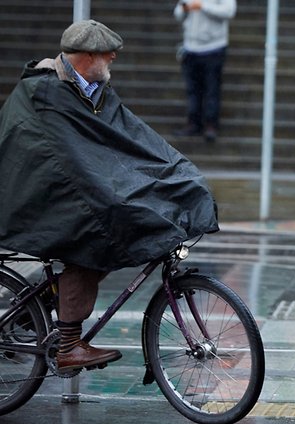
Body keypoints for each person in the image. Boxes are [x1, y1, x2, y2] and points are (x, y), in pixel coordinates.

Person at [0, 20, 219, 371]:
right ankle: (68, 347)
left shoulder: (97, 91)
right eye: (107, 52)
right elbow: (67, 159)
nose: (114, 56)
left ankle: (35, 312)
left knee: (111, 234)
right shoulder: (46, 92)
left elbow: (133, 139)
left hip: (72, 188)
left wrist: (180, 173)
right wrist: (112, 193)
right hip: (39, 193)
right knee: (92, 239)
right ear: (88, 55)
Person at [173, 0, 237, 142]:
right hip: (190, 46)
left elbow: (229, 11)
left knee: (212, 88)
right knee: (192, 89)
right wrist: (185, 9)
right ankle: (193, 122)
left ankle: (211, 124)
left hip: (214, 46)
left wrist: (203, 6)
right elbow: (178, 13)